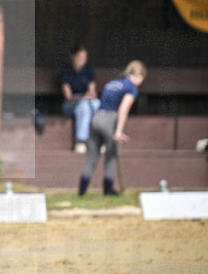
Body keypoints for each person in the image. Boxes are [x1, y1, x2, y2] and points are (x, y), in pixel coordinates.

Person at [78, 60, 146, 196]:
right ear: (138, 75)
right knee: (111, 156)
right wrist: (119, 131)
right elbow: (123, 109)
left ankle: (81, 191)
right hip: (110, 120)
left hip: (96, 118)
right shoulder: (131, 88)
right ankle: (108, 190)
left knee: (92, 156)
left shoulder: (113, 83)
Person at [60, 43, 100, 154]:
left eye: (85, 58)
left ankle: (98, 141)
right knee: (83, 106)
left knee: (97, 104)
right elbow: (68, 97)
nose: (83, 60)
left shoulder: (88, 71)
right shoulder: (66, 72)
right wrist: (81, 98)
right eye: (80, 57)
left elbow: (92, 91)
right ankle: (81, 141)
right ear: (73, 56)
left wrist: (88, 96)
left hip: (86, 102)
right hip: (70, 104)